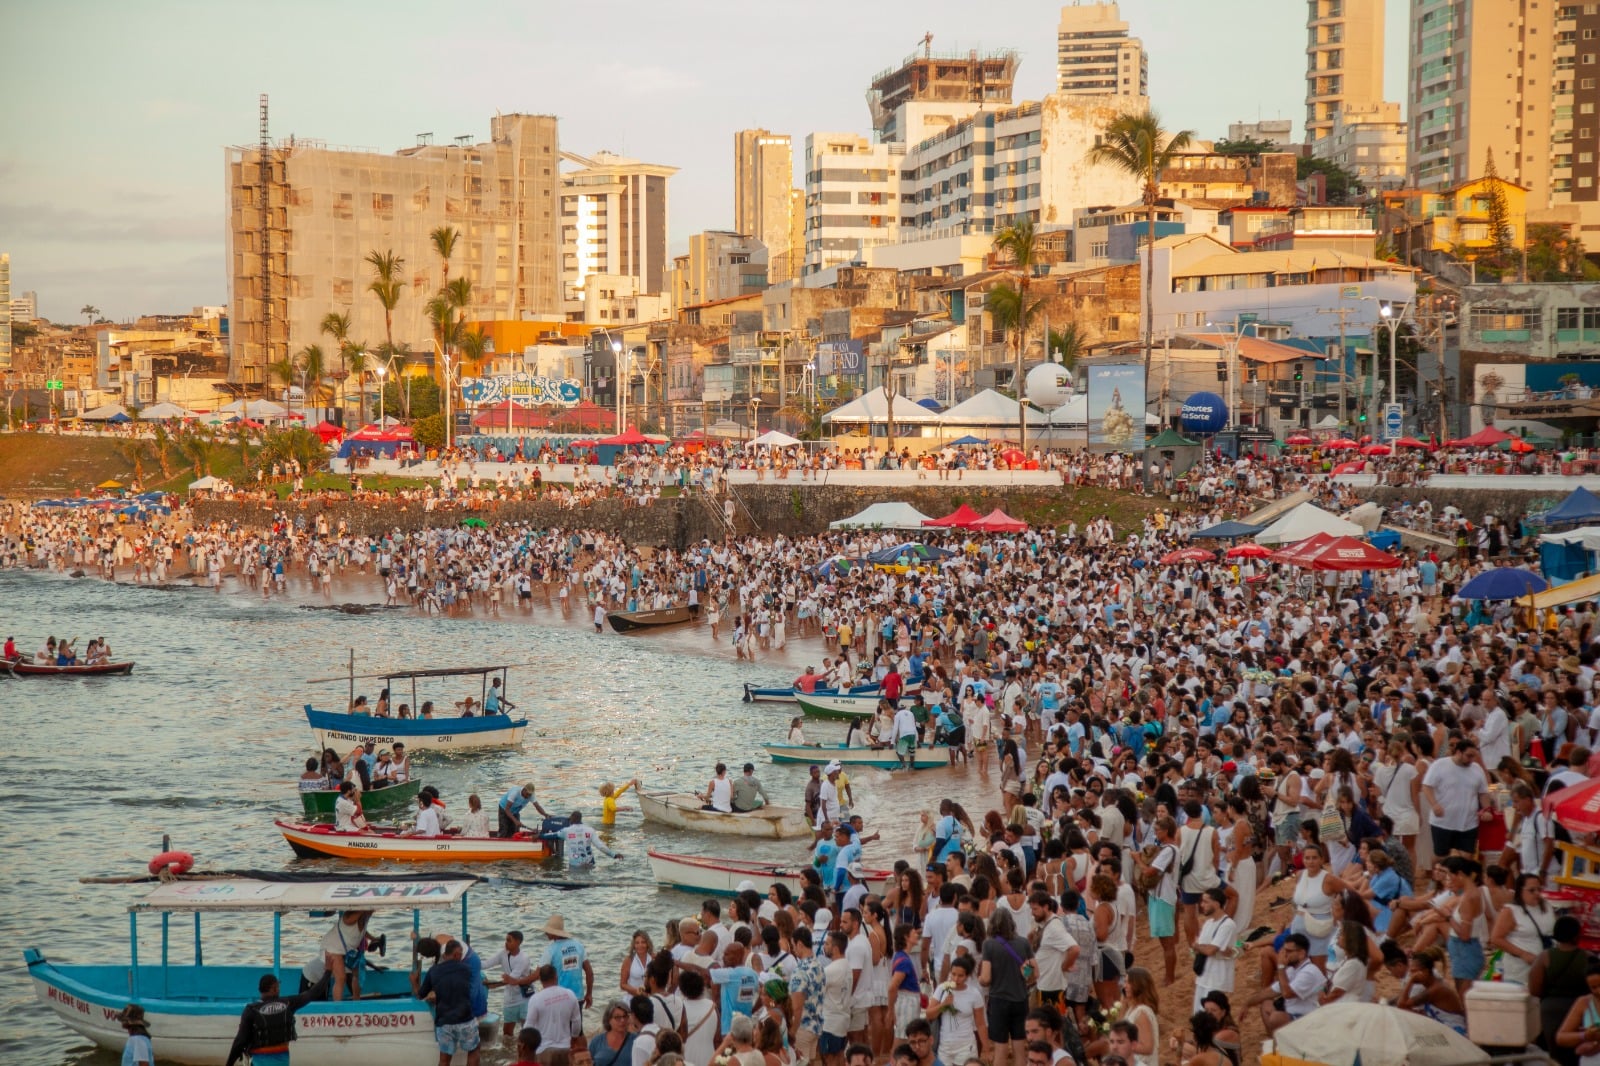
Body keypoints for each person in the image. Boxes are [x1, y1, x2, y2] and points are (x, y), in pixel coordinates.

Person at [224, 971, 329, 1066]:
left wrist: (229, 1064)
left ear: (260, 990)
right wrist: (328, 972)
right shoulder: (289, 1004)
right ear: (275, 988)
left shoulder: (251, 1011)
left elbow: (240, 1042)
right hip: (282, 1061)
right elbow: (313, 993)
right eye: (278, 986)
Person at [1533, 916, 1591, 1066]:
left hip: (1550, 1010)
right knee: (1577, 1051)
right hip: (1581, 1009)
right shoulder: (1587, 958)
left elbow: (1534, 989)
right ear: (1576, 935)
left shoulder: (1544, 957)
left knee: (1555, 1055)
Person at [1421, 739, 1493, 858]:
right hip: (1443, 822)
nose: (1471, 760)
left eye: (1473, 756)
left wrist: (1487, 810)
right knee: (1441, 858)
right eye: (1469, 756)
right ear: (1459, 752)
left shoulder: (1476, 769)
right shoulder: (1440, 765)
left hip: (1469, 823)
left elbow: (1483, 793)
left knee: (1466, 859)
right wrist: (1434, 804)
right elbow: (1427, 786)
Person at [415, 939, 481, 1066]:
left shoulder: (433, 971)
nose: (462, 957)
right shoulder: (466, 969)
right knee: (474, 1049)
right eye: (461, 955)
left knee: (444, 1059)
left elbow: (420, 995)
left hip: (444, 1022)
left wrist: (414, 982)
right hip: (465, 1019)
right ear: (456, 954)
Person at [1245, 934, 1321, 1036]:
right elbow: (1271, 991)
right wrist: (1247, 1003)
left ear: (1302, 953)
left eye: (1289, 951)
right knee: (1266, 1003)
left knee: (1277, 1018)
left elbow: (1287, 993)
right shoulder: (1293, 969)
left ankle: (1282, 1043)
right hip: (1295, 1013)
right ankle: (1276, 1041)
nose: (1284, 955)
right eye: (1284, 951)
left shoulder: (1309, 972)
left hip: (1309, 1018)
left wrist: (1281, 967)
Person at [1489, 872, 1556, 988]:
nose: (1537, 893)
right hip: (1519, 970)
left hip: (1545, 969)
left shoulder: (1547, 906)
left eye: (1539, 889)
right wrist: (1523, 954)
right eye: (1532, 890)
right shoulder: (1510, 911)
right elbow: (1496, 938)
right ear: (1520, 891)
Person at [925, 954, 984, 1066]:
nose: (956, 979)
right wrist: (943, 1005)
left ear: (967, 976)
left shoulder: (974, 993)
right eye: (953, 974)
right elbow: (929, 1014)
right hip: (945, 1046)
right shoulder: (942, 988)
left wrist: (986, 1048)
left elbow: (980, 1023)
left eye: (960, 975)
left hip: (966, 1046)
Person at [1192, 887, 1237, 1014]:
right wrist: (1201, 947)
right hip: (1204, 976)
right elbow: (1201, 948)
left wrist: (1199, 947)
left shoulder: (1227, 925)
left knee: (1211, 1016)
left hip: (1217, 979)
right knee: (1198, 1015)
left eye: (1206, 902)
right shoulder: (1208, 923)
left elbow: (1210, 950)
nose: (1202, 905)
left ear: (1216, 904)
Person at [486, 930, 537, 1039]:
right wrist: (472, 962)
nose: (506, 943)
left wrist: (492, 984)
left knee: (527, 1030)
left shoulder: (524, 958)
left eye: (509, 940)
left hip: (525, 998)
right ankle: (509, 1053)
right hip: (510, 999)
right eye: (506, 940)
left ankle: (526, 1052)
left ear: (518, 942)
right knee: (507, 1033)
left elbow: (512, 979)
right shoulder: (503, 953)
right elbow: (487, 963)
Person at [540, 914, 596, 1010]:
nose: (546, 933)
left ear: (554, 933)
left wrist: (518, 981)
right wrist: (589, 993)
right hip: (577, 997)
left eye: (548, 931)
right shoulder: (578, 946)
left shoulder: (551, 950)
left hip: (559, 998)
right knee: (576, 1024)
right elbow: (589, 972)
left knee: (560, 1025)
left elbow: (539, 974)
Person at [527, 964, 584, 1052]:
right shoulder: (570, 994)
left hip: (543, 1050)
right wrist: (574, 1037)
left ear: (540, 980)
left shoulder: (535, 999)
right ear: (556, 977)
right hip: (565, 1048)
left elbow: (529, 1027)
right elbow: (577, 1022)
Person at [589, 1000, 637, 1066]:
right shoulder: (597, 1041)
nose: (622, 1020)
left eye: (625, 1016)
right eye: (617, 1017)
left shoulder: (635, 1040)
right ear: (609, 1020)